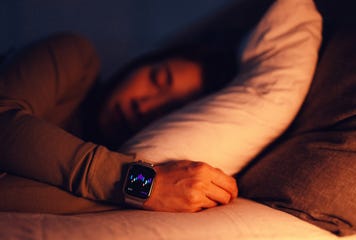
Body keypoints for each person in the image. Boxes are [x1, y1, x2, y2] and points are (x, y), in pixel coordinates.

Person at [0, 32, 238, 213]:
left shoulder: (116, 199)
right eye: (157, 79)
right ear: (141, 63)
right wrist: (142, 184)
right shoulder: (75, 56)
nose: (144, 106)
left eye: (169, 111)